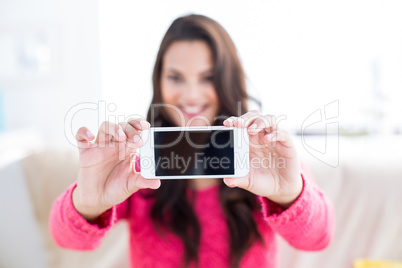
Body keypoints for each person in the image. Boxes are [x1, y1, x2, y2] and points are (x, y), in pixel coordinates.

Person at [49, 14, 335, 268]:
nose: (191, 94)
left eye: (207, 77)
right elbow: (68, 241)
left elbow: (319, 238)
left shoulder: (264, 156)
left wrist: (288, 195)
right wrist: (87, 202)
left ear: (227, 80)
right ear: (158, 81)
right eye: (176, 77)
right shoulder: (135, 164)